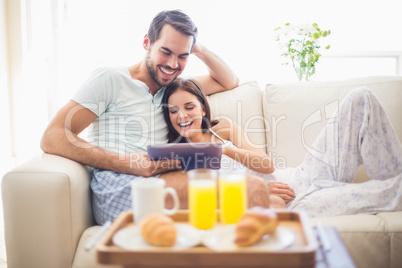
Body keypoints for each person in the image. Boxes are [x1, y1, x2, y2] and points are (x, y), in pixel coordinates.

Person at [40, 10, 272, 225]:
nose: (173, 64)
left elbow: (228, 80)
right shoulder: (110, 79)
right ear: (146, 43)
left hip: (165, 180)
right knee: (252, 190)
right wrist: (127, 163)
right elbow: (53, 136)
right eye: (166, 51)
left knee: (264, 199)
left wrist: (196, 47)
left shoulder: (172, 92)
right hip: (123, 186)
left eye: (182, 56)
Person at [162, 77, 402, 217]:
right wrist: (259, 194)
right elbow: (203, 202)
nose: (182, 115)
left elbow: (266, 165)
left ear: (203, 108)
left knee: (361, 97)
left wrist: (222, 149)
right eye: (173, 111)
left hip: (301, 175)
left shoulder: (223, 128)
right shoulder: (179, 157)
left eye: (189, 106)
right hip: (291, 203)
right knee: (390, 192)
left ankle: (391, 172)